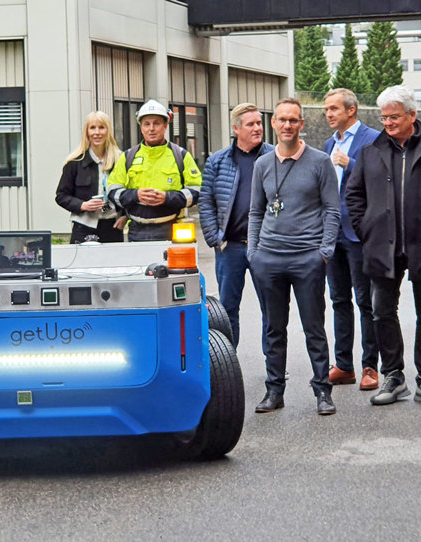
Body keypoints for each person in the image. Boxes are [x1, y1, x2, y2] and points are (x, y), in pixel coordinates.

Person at [344, 85, 421, 407]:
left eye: (394, 116)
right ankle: (393, 376)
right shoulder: (369, 153)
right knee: (381, 312)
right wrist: (367, 229)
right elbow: (354, 195)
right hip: (382, 247)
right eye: (384, 118)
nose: (388, 123)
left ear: (412, 115)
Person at [247, 97, 340, 416]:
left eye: (293, 120)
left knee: (314, 327)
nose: (287, 125)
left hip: (307, 259)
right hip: (268, 259)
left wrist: (324, 251)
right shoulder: (262, 164)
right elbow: (256, 211)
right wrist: (253, 253)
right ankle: (274, 391)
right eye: (282, 119)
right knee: (273, 327)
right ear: (273, 123)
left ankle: (322, 391)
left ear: (301, 125)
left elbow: (332, 209)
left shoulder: (320, 162)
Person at [198, 103, 274, 347]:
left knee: (272, 309)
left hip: (266, 247)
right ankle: (228, 362)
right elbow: (206, 201)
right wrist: (215, 239)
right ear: (236, 129)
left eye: (259, 123)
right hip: (230, 247)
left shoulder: (275, 156)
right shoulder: (218, 161)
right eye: (251, 124)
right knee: (227, 309)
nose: (257, 128)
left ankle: (274, 366)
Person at [322, 87, 381, 389]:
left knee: (365, 302)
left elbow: (382, 179)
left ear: (351, 110)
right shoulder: (328, 143)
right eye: (327, 109)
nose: (329, 114)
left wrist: (351, 164)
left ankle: (371, 366)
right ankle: (343, 365)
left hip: (359, 234)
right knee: (339, 300)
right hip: (333, 235)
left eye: (334, 108)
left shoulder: (372, 140)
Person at [108, 99, 201, 241]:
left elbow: (197, 190)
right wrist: (136, 195)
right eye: (146, 124)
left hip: (173, 229)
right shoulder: (127, 157)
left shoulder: (181, 156)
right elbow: (112, 190)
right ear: (141, 127)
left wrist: (167, 198)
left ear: (165, 125)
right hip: (137, 231)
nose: (151, 128)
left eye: (156, 123)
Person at [55, 110, 125, 243]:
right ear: (87, 132)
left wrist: (125, 216)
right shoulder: (74, 162)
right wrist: (82, 205)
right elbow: (61, 196)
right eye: (92, 128)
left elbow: (129, 191)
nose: (97, 132)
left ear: (108, 131)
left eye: (101, 127)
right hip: (84, 227)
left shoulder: (121, 160)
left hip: (113, 227)